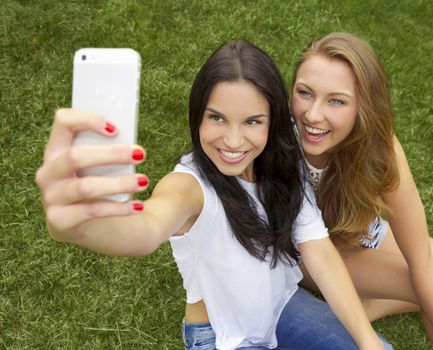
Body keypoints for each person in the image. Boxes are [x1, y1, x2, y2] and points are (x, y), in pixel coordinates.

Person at [35, 40, 391, 350]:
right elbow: (145, 230)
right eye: (217, 118)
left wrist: (366, 341)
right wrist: (75, 228)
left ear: (273, 121)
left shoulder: (284, 166)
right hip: (223, 338)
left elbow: (321, 253)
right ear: (198, 117)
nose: (233, 142)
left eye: (252, 121)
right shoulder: (188, 187)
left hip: (281, 307)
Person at [291, 32, 433, 349]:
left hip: (359, 234)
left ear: (363, 106)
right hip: (308, 251)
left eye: (336, 100)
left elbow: (422, 263)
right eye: (305, 93)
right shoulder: (274, 140)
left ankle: (365, 308)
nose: (313, 115)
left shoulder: (379, 151)